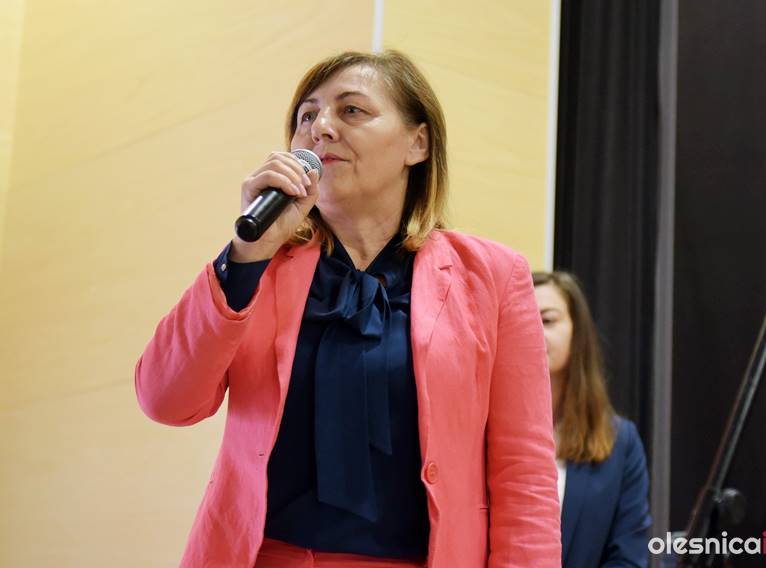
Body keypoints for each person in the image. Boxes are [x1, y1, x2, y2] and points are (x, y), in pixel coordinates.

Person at [135, 50, 561, 568]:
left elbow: (524, 474)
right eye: (307, 116)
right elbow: (165, 400)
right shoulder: (260, 266)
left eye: (351, 110)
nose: (321, 128)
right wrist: (243, 258)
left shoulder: (493, 276)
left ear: (418, 143)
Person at [532, 271, 651, 568]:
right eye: (524, 320)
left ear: (578, 333)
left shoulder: (621, 442)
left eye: (547, 320)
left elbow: (628, 557)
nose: (533, 331)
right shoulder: (484, 429)